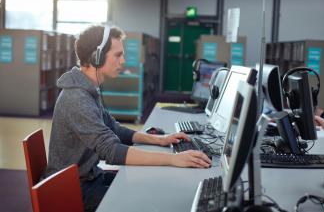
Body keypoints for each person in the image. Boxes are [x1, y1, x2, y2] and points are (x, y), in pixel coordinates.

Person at [43, 25, 211, 212]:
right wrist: (173, 159)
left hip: (89, 178)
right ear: (96, 57)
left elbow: (114, 128)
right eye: (117, 55)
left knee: (150, 183)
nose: (123, 61)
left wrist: (159, 139)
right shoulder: (77, 98)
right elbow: (111, 151)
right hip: (72, 191)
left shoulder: (87, 90)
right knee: (148, 201)